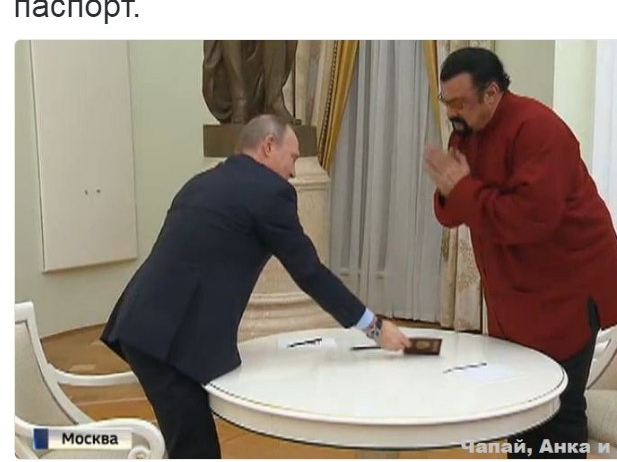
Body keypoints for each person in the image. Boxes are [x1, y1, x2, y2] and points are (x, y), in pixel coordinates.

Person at [101, 114, 410, 458]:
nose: (294, 172)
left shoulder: (202, 182)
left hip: (144, 322)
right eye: (293, 158)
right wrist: (373, 327)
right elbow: (309, 272)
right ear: (268, 146)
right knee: (195, 449)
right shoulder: (269, 192)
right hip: (169, 339)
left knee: (189, 442)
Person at [423, 48, 617, 459]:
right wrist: (452, 190)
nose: (451, 113)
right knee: (519, 404)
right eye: (446, 102)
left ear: (492, 93)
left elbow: (529, 220)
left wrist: (462, 189)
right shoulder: (466, 132)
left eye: (460, 102)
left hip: (567, 290)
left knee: (559, 407)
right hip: (514, 294)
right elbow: (451, 212)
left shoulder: (539, 130)